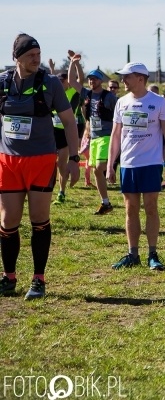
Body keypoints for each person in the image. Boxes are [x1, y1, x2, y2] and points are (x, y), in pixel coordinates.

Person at [0, 34, 80, 299]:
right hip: (8, 160)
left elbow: (69, 122)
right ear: (17, 58)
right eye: (31, 56)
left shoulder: (50, 84)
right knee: (8, 220)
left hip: (42, 160)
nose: (37, 59)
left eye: (38, 54)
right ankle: (9, 277)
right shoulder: (2, 83)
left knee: (38, 219)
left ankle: (38, 279)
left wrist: (73, 159)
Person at [106, 62, 165, 271]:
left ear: (140, 78)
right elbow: (116, 135)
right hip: (128, 164)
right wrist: (111, 164)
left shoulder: (158, 102)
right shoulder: (121, 102)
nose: (123, 81)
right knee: (130, 208)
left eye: (127, 77)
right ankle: (132, 253)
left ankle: (152, 254)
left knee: (151, 207)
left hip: (151, 162)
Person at [69, 60, 118, 215]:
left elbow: (119, 114)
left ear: (101, 81)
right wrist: (73, 63)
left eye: (95, 79)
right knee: (96, 172)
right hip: (94, 137)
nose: (92, 81)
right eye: (90, 79)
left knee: (99, 167)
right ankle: (106, 202)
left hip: (107, 136)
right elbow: (71, 80)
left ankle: (111, 169)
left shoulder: (109, 96)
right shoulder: (86, 94)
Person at [51, 65, 82, 205]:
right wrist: (52, 68)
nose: (59, 83)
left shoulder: (72, 93)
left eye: (61, 81)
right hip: (51, 131)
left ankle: (61, 192)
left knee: (61, 164)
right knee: (50, 163)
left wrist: (75, 64)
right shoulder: (53, 93)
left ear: (67, 82)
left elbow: (80, 79)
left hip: (66, 132)